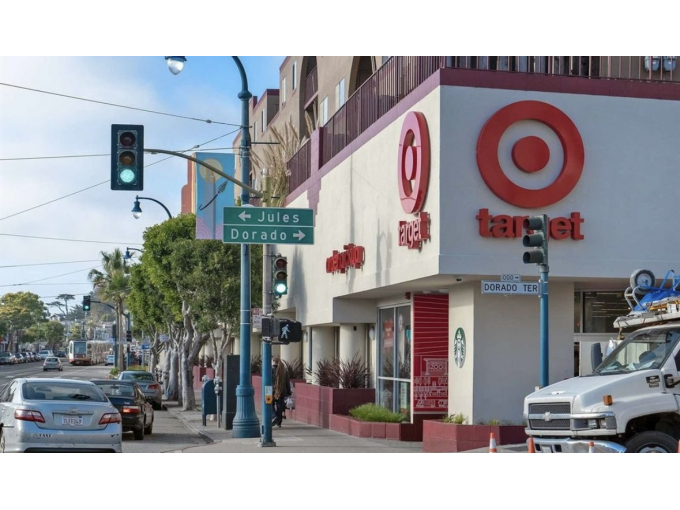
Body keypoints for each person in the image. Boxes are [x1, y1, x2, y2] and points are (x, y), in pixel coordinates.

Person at [272, 357, 291, 428]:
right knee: (280, 406)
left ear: (273, 362)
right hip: (282, 391)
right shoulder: (284, 370)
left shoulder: (271, 369)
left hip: (273, 391)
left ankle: (274, 416)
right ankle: (279, 422)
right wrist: (289, 392)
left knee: (270, 404)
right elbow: (287, 382)